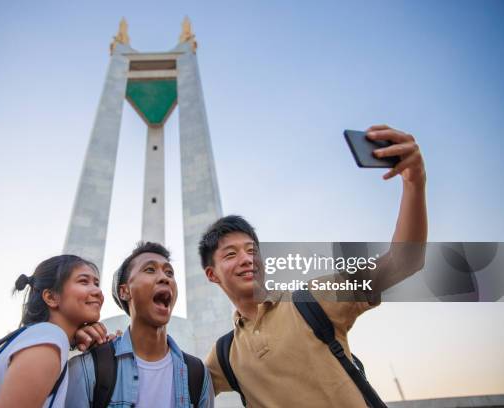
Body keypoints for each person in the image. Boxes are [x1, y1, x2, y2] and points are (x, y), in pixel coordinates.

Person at [200, 125, 428, 407]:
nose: (246, 259)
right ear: (211, 274)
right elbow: (169, 386)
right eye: (231, 254)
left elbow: (404, 262)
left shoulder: (314, 297)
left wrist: (414, 184)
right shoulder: (223, 356)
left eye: (252, 250)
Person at [67, 242, 214, 408]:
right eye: (150, 269)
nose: (165, 278)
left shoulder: (198, 374)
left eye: (169, 273)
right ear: (124, 291)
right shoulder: (88, 368)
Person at [0, 254, 104, 408]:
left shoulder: (41, 337)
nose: (97, 291)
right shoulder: (48, 337)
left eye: (96, 283)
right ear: (50, 297)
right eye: (83, 281)